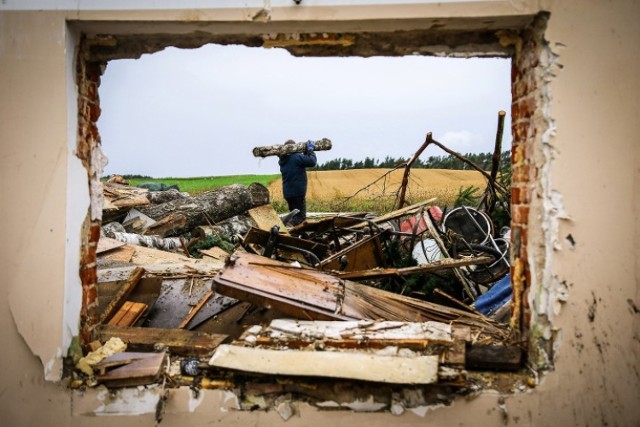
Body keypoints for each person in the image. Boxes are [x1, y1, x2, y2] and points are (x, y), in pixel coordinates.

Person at [278, 139, 317, 226]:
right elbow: (312, 161)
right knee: (300, 217)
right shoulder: (296, 157)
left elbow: (302, 161)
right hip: (297, 193)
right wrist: (310, 150)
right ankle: (290, 231)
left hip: (288, 194)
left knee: (294, 215)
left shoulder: (283, 160)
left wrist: (305, 153)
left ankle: (293, 232)